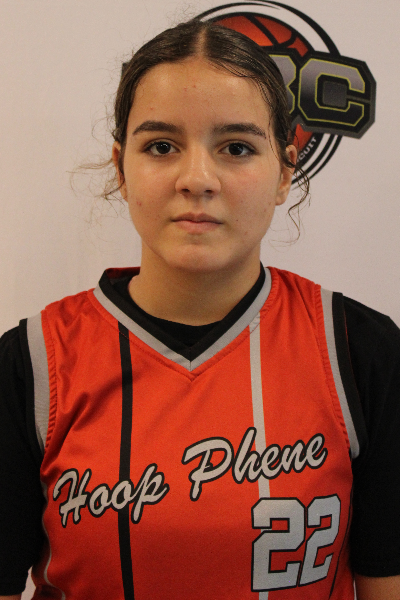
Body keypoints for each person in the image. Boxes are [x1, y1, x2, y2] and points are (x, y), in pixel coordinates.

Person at [0, 18, 399, 600]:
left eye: (236, 148)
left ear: (286, 171)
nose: (197, 179)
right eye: (161, 146)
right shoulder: (34, 365)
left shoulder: (359, 352)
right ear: (121, 167)